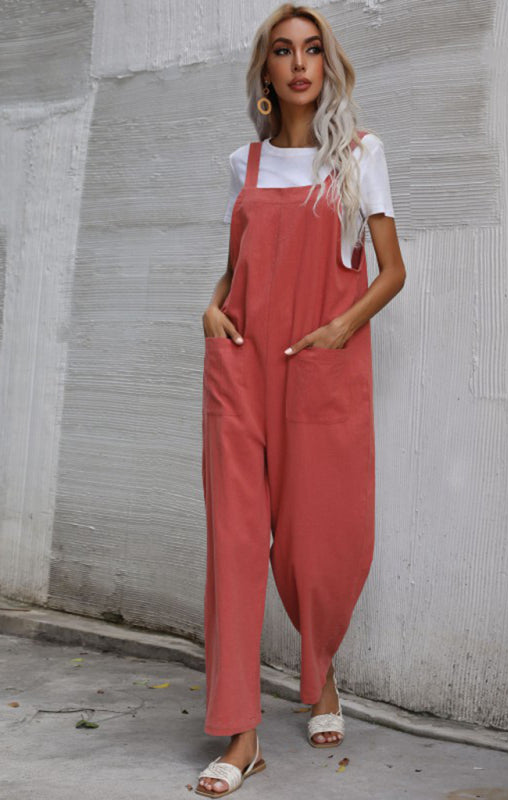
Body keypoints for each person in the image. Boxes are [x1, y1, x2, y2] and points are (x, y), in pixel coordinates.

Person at [196, 4, 406, 796]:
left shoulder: (359, 154)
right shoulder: (243, 164)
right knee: (235, 544)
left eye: (312, 50)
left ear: (327, 65)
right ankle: (241, 735)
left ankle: (320, 674)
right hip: (240, 366)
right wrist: (211, 308)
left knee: (319, 544)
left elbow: (391, 269)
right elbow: (236, 266)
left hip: (318, 365)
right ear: (266, 70)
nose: (299, 64)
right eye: (283, 51)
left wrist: (340, 329)